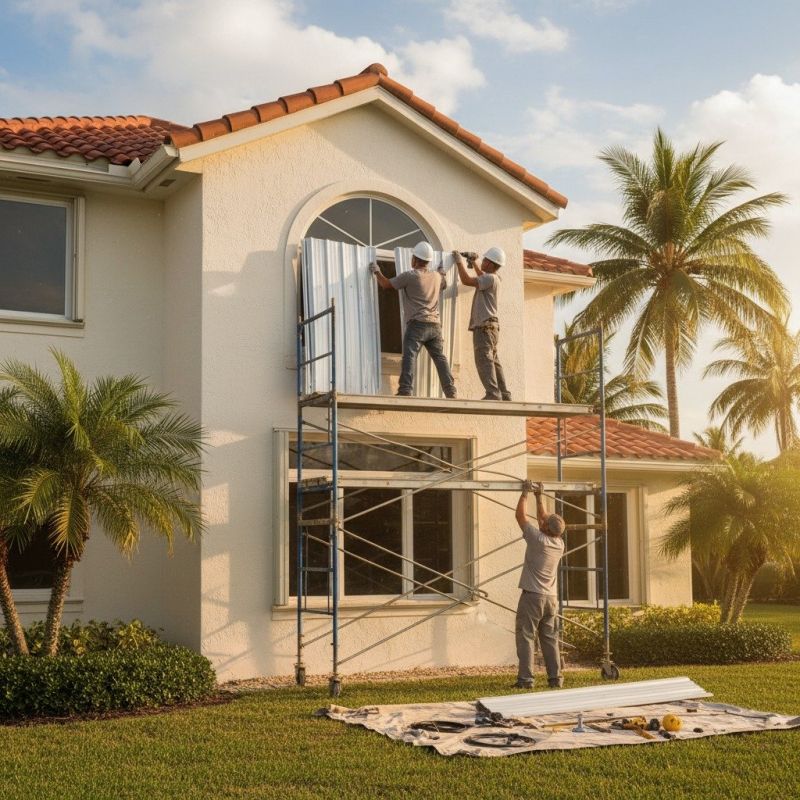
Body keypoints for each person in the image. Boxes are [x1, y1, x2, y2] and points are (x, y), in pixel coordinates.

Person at [370, 242, 456, 398]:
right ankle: (451, 391)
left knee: (410, 356)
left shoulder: (410, 276)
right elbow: (443, 285)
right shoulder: (437, 277)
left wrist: (377, 272)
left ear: (415, 259)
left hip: (417, 325)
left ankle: (405, 389)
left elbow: (386, 285)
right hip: (435, 325)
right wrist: (442, 273)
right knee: (440, 358)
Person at [513, 479, 566, 690]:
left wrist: (525, 494)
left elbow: (520, 516)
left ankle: (526, 680)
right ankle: (555, 679)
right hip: (551, 599)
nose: (541, 520)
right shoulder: (559, 543)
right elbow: (544, 519)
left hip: (533, 597)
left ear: (544, 528)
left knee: (526, 636)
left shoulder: (538, 540)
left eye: (544, 522)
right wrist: (539, 496)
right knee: (550, 637)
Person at [453, 247, 510, 401]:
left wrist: (459, 262)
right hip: (491, 327)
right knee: (493, 361)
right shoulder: (494, 278)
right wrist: (474, 263)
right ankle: (504, 394)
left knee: (484, 360)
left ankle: (493, 393)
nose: (482, 261)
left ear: (491, 264)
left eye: (484, 260)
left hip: (484, 327)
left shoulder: (490, 278)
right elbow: (481, 276)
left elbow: (466, 280)